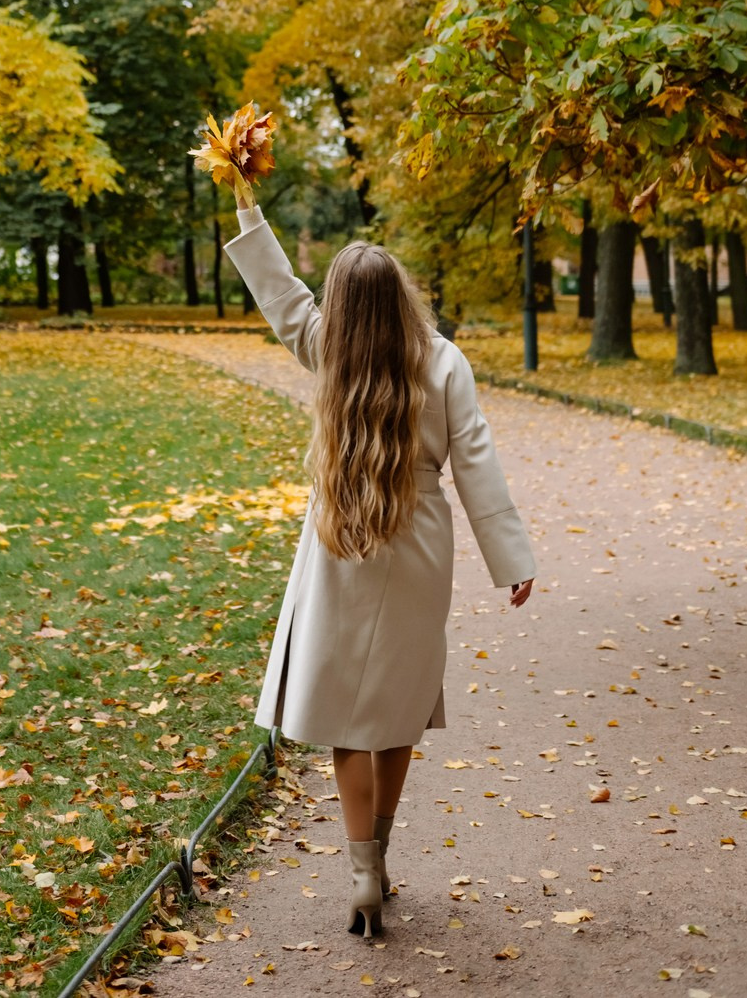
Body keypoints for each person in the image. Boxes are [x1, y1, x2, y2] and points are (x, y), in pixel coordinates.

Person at [224, 188, 537, 940]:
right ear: (402, 295)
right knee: (398, 710)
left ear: (339, 304)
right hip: (420, 539)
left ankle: (362, 870)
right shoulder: (443, 361)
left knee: (346, 720)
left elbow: (278, 294)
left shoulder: (325, 346)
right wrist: (513, 559)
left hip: (341, 536)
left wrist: (246, 207)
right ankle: (383, 856)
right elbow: (478, 465)